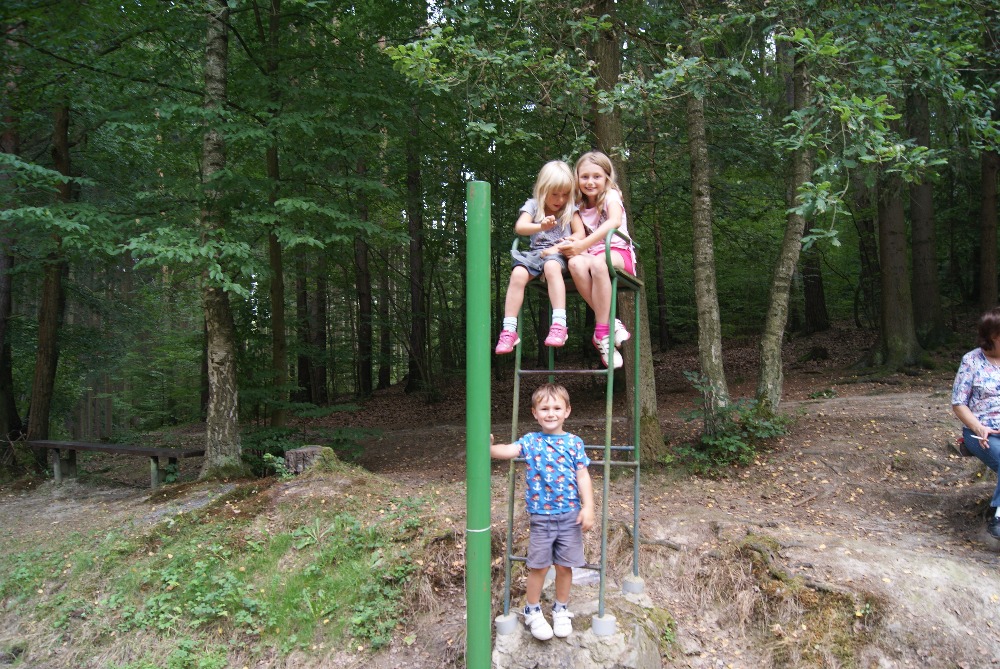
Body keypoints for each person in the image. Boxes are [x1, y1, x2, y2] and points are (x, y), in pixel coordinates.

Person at [490, 383, 595, 640]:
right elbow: (509, 450)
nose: (551, 413)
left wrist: (589, 506)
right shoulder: (531, 441)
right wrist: (489, 448)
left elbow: (583, 476)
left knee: (565, 566)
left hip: (570, 515)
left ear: (567, 411)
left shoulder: (574, 442)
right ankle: (532, 609)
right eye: (544, 408)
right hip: (541, 517)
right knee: (538, 566)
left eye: (557, 408)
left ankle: (561, 609)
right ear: (535, 413)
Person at [555, 151, 637, 369]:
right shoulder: (577, 205)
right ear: (577, 178)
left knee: (600, 263)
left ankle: (601, 331)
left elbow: (614, 222)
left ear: (607, 178)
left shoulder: (611, 195)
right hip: (591, 255)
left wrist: (582, 245)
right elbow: (579, 234)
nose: (590, 182)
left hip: (617, 252)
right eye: (584, 177)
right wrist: (569, 243)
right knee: (574, 263)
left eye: (596, 176)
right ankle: (610, 324)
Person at [495, 161, 583, 355]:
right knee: (518, 273)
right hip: (536, 253)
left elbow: (580, 234)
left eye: (565, 194)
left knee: (551, 266)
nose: (560, 199)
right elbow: (520, 227)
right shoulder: (533, 205)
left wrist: (559, 247)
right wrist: (540, 226)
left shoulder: (570, 208)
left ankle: (559, 324)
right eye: (555, 194)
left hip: (559, 253)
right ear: (543, 190)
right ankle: (509, 329)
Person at [952, 306, 1000, 539]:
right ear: (994, 335)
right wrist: (978, 427)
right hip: (980, 432)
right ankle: (998, 517)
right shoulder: (972, 360)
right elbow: (959, 403)